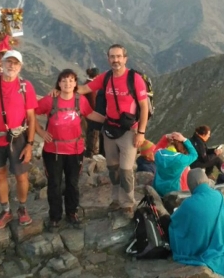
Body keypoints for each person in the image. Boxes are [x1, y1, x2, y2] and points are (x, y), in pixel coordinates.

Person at [75, 44, 149, 214]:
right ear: (108, 59)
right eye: (112, 57)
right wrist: (64, 86)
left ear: (125, 58)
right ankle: (116, 199)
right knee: (113, 168)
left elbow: (144, 107)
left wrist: (141, 133)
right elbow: (85, 89)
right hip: (110, 128)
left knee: (126, 169)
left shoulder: (134, 79)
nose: (115, 60)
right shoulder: (105, 77)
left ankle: (128, 202)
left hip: (129, 130)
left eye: (119, 56)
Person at [0, 50, 38, 229]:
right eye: (8, 62)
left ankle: (22, 209)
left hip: (18, 138)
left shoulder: (26, 87)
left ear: (20, 67)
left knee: (21, 175)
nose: (11, 66)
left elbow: (32, 118)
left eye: (15, 63)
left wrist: (30, 144)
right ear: (1, 64)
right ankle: (6, 211)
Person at [34, 69, 105, 228]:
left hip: (75, 150)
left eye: (71, 80)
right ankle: (55, 217)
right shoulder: (49, 100)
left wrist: (110, 120)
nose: (67, 83)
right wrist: (40, 131)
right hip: (53, 151)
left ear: (75, 84)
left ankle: (72, 213)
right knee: (55, 184)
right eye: (64, 80)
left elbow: (91, 114)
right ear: (59, 83)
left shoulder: (80, 101)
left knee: (73, 183)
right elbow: (31, 112)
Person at [169, 169, 224, 278]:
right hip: (219, 246)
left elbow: (174, 222)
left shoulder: (188, 204)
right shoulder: (219, 196)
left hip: (197, 248)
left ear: (191, 185)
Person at [152, 132, 198, 197]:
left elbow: (156, 149)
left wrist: (165, 137)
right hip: (175, 192)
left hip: (158, 189)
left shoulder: (159, 154)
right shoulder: (182, 159)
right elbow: (194, 155)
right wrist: (185, 140)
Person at [83, 67, 102, 157]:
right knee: (93, 133)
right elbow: (93, 102)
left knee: (89, 132)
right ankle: (91, 152)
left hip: (85, 113)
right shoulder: (91, 86)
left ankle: (89, 150)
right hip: (91, 113)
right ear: (97, 76)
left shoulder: (86, 83)